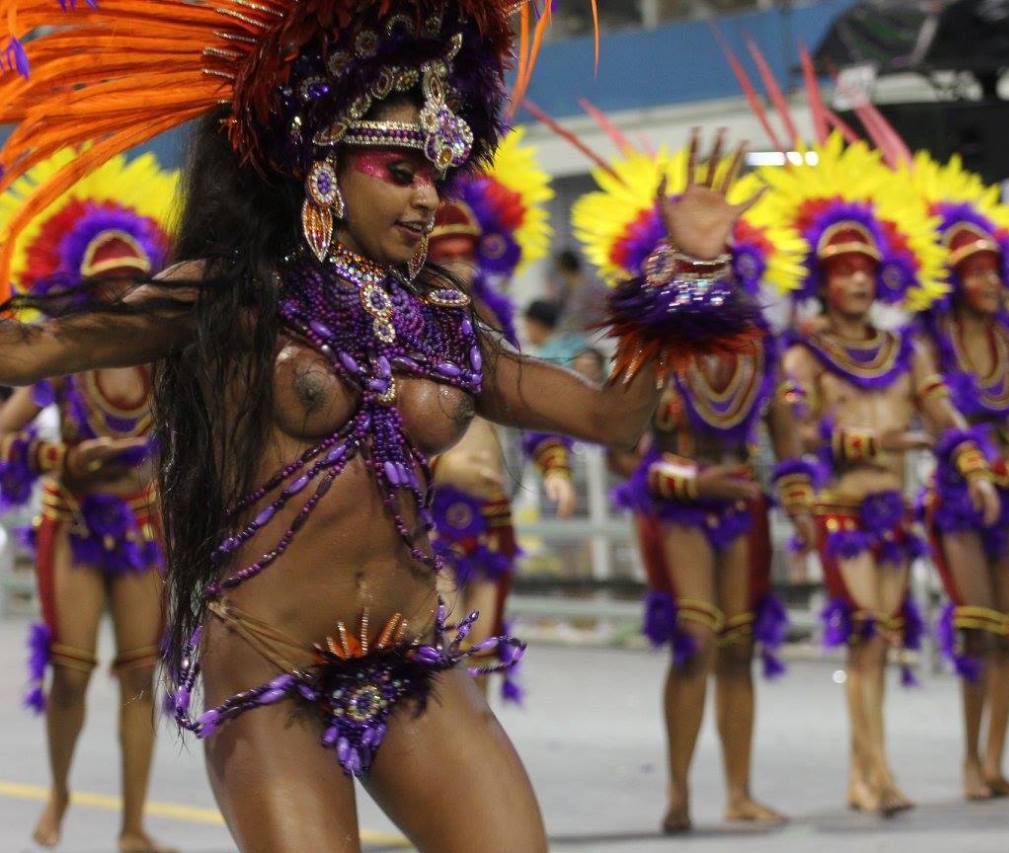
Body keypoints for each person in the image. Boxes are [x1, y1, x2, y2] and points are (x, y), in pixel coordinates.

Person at [0, 2, 769, 847]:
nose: (426, 196)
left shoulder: (443, 315)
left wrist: (687, 275)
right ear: (325, 168)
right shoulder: (234, 295)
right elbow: (34, 351)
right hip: (268, 667)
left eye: (436, 173)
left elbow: (610, 414)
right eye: (399, 171)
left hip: (412, 662)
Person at [572, 131, 816, 834]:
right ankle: (678, 791)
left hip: (740, 502)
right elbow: (622, 448)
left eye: (725, 263)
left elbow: (784, 430)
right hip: (676, 504)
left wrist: (798, 500)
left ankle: (738, 789)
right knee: (696, 635)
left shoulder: (758, 343)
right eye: (699, 267)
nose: (715, 278)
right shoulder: (658, 341)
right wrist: (688, 478)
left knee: (739, 641)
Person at [763, 132, 1000, 815]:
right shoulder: (804, 354)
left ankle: (865, 773)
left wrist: (974, 466)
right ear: (824, 281)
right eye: (843, 270)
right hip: (841, 513)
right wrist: (858, 440)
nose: (857, 279)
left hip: (893, 515)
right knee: (866, 634)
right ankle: (875, 772)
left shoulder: (907, 348)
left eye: (866, 267)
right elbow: (796, 429)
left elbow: (944, 412)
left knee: (881, 644)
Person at [0, 152, 177, 853]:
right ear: (82, 291)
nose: (122, 300)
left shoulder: (169, 362)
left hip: (144, 527)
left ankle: (133, 824)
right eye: (108, 289)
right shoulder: (61, 363)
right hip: (72, 524)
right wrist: (59, 458)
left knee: (140, 674)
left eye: (133, 288)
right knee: (69, 672)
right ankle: (61, 790)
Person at [908, 150, 1009, 800]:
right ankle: (970, 761)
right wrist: (977, 466)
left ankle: (995, 761)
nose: (991, 282)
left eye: (996, 271)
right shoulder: (930, 342)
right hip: (961, 496)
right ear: (952, 278)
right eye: (976, 273)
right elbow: (941, 418)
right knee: (975, 625)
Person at [425, 126, 574, 703]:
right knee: (441, 661)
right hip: (428, 514)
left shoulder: (493, 327)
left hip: (494, 513)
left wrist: (554, 465)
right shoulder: (400, 328)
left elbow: (527, 401)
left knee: (484, 657)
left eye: (468, 254)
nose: (461, 266)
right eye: (447, 255)